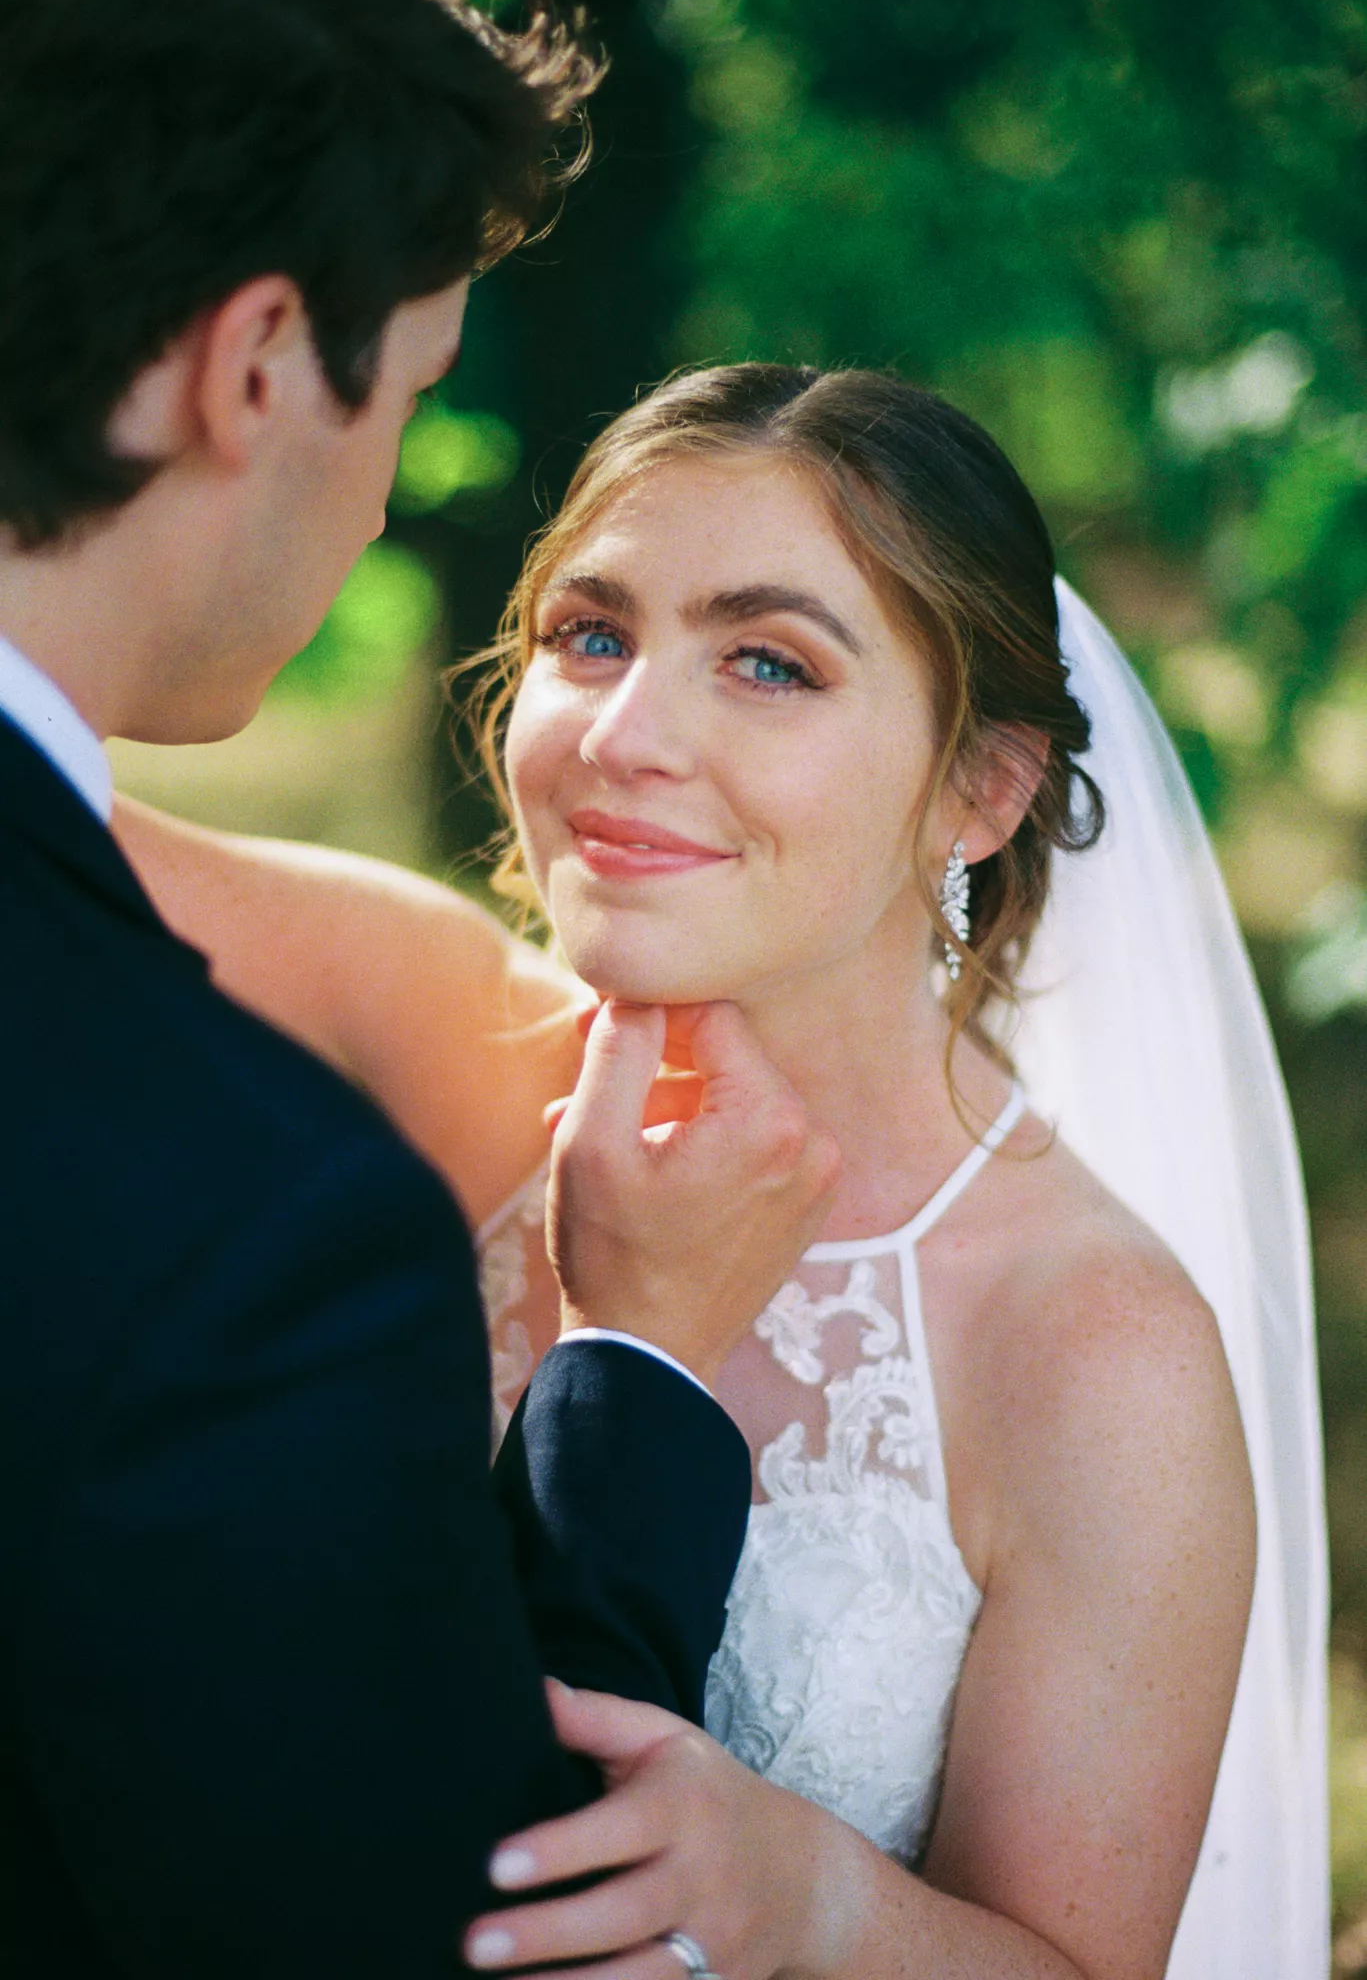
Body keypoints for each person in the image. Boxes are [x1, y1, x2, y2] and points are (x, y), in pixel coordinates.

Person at [120, 362, 1330, 1980]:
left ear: (982, 786)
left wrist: (805, 1897)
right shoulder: (410, 1021)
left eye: (767, 663)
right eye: (590, 636)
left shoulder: (1091, 1340)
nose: (624, 736)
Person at [0, 0, 842, 1974]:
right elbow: (463, 1922)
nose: (381, 510)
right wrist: (632, 1376)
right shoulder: (241, 1211)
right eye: (421, 389)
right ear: (259, 357)